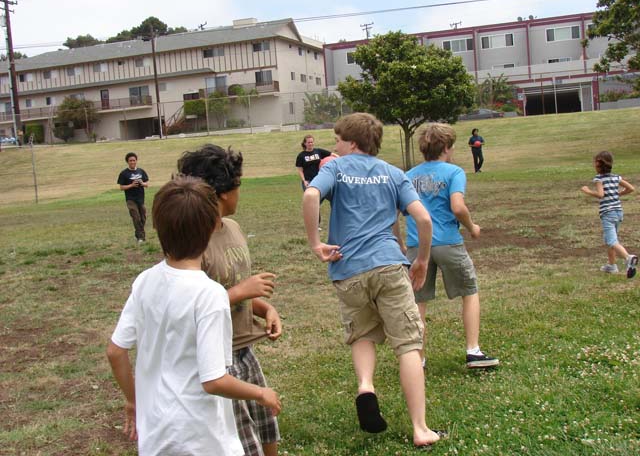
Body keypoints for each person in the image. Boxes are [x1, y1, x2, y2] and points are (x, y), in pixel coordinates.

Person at [106, 176, 281, 456]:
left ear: (158, 227)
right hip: (202, 439)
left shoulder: (144, 280)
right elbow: (214, 381)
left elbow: (116, 352)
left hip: (156, 438)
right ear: (211, 227)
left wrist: (132, 400)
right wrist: (261, 393)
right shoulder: (210, 295)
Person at [302, 112, 442, 448]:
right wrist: (422, 260)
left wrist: (315, 243)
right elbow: (423, 219)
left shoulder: (335, 169)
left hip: (348, 269)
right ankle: (420, 428)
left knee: (362, 333)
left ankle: (366, 386)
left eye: (338, 140)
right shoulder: (394, 173)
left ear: (352, 143)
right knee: (408, 344)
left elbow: (310, 196)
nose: (334, 147)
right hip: (389, 266)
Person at [178, 144, 283, 456]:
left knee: (266, 423)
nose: (240, 191)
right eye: (238, 184)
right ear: (223, 192)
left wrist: (266, 309)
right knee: (242, 437)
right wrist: (241, 292)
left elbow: (234, 289)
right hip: (218, 356)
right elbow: (191, 307)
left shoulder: (233, 228)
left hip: (244, 347)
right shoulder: (192, 244)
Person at [399, 123, 499, 370]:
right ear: (445, 148)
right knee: (469, 291)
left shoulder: (408, 176)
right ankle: (473, 351)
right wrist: (472, 227)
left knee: (417, 302)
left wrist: (400, 244)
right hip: (448, 243)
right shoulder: (454, 172)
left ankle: (418, 359)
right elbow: (458, 207)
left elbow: (397, 212)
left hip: (416, 245)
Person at [580, 150, 637, 278]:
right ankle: (612, 266)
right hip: (618, 212)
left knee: (612, 241)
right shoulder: (616, 177)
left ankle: (628, 258)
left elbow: (601, 195)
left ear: (598, 164)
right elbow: (631, 188)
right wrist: (619, 193)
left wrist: (587, 191)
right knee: (611, 240)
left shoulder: (599, 179)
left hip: (608, 214)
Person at [117, 152, 149, 243]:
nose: (132, 162)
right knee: (136, 217)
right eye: (130, 161)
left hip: (141, 199)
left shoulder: (141, 171)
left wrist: (142, 183)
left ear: (136, 161)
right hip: (130, 199)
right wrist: (131, 185)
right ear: (127, 162)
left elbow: (147, 184)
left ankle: (138, 234)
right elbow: (121, 187)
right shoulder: (124, 173)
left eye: (134, 160)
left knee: (143, 218)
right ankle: (141, 238)